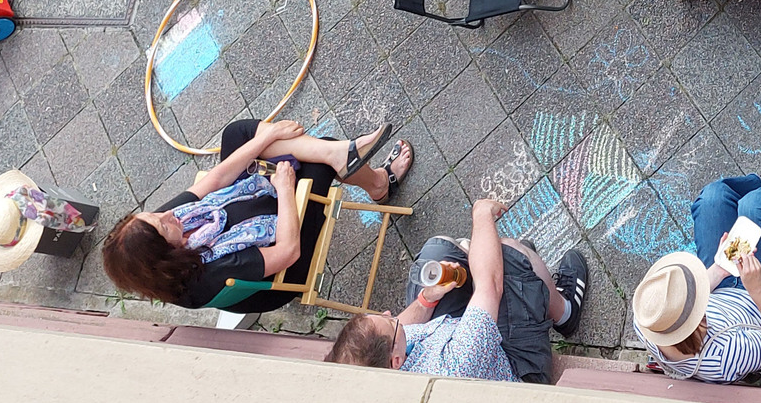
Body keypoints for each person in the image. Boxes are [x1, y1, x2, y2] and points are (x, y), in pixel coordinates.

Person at [102, 119, 412, 314]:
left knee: (238, 134)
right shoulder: (205, 275)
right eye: (161, 224)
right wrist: (286, 189)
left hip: (238, 224)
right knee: (317, 163)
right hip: (282, 275)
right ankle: (378, 184)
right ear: (165, 252)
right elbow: (288, 252)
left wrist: (266, 138)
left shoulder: (166, 229)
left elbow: (214, 181)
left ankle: (339, 155)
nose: (167, 213)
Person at [327, 197, 589, 383]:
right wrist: (482, 214)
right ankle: (565, 312)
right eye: (390, 321)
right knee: (509, 254)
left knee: (437, 251)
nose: (390, 314)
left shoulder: (378, 373)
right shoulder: (455, 367)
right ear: (396, 361)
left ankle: (524, 280)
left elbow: (394, 333)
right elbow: (490, 286)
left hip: (451, 336)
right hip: (514, 364)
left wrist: (426, 300)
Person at [632, 174, 761, 381]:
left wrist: (719, 270)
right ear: (699, 318)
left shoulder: (648, 316)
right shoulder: (724, 357)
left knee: (713, 197)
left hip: (726, 289)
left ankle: (756, 198)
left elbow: (687, 299)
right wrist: (757, 289)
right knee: (758, 205)